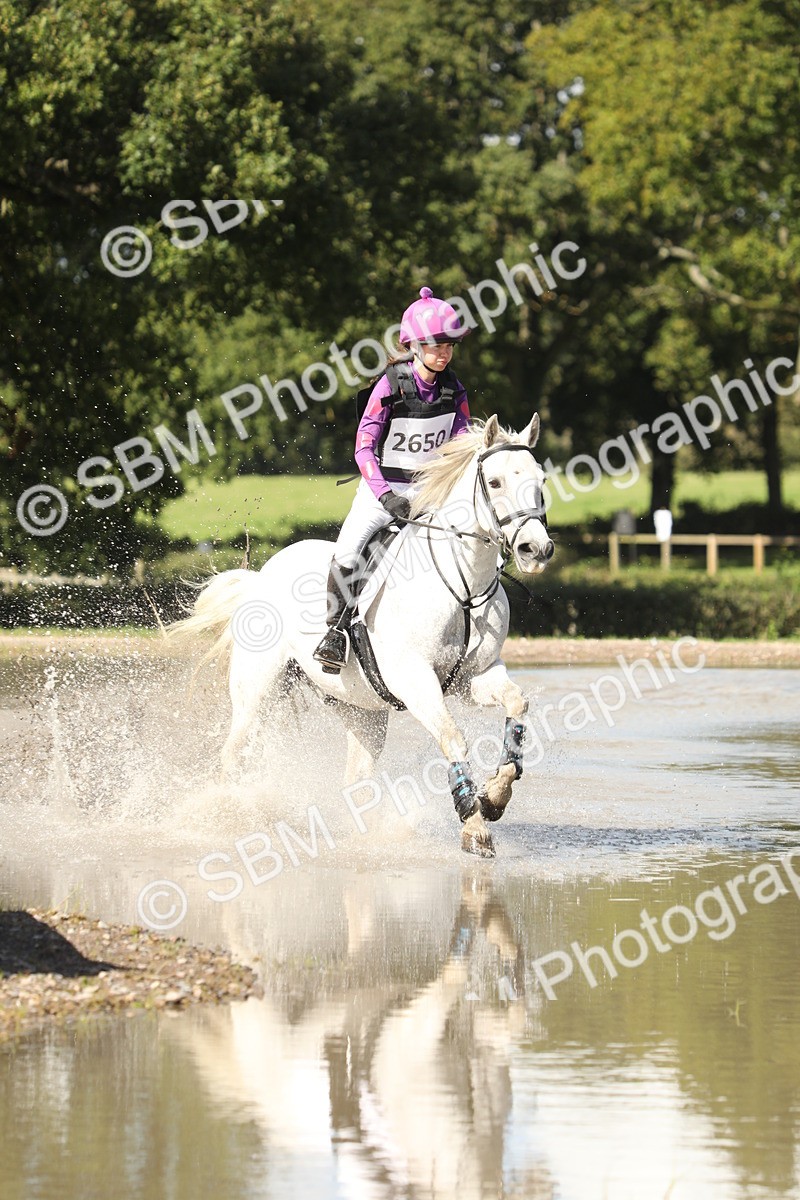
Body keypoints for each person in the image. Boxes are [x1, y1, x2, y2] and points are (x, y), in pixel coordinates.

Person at [313, 286, 472, 672]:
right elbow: (363, 448)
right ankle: (334, 632)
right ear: (415, 346)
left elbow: (465, 443)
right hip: (380, 490)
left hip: (430, 493)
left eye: (449, 344)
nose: (444, 352)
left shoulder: (454, 389)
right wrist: (386, 497)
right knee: (350, 551)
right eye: (436, 344)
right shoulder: (390, 385)